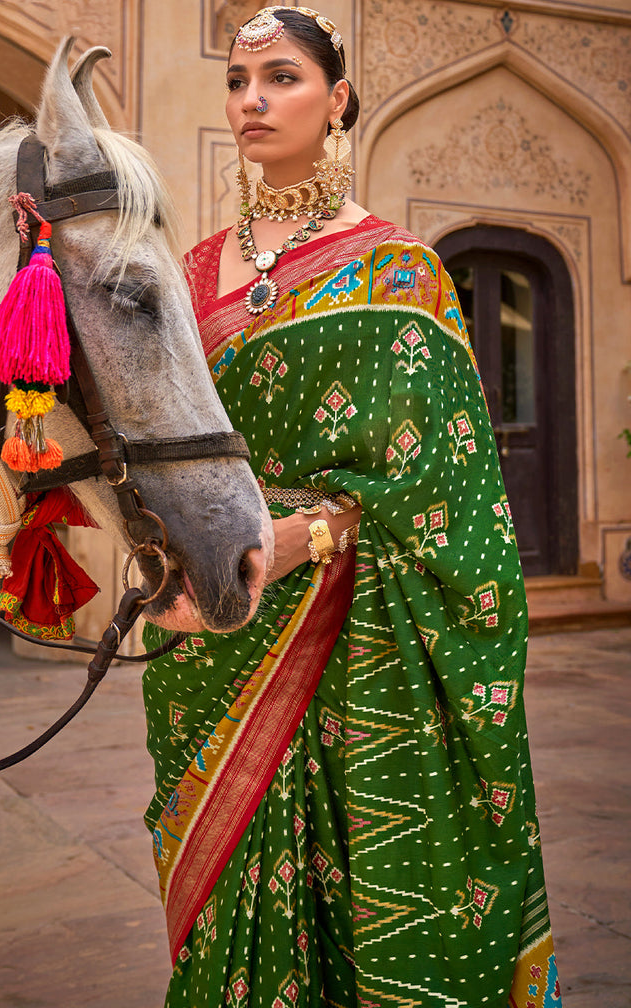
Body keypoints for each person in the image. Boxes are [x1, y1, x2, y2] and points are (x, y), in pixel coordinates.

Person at [142, 7, 562, 1007]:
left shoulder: (399, 270)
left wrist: (304, 536)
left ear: (337, 99)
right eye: (238, 83)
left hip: (352, 634)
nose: (253, 102)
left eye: (281, 78)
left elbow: (443, 489)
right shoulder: (189, 275)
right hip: (213, 631)